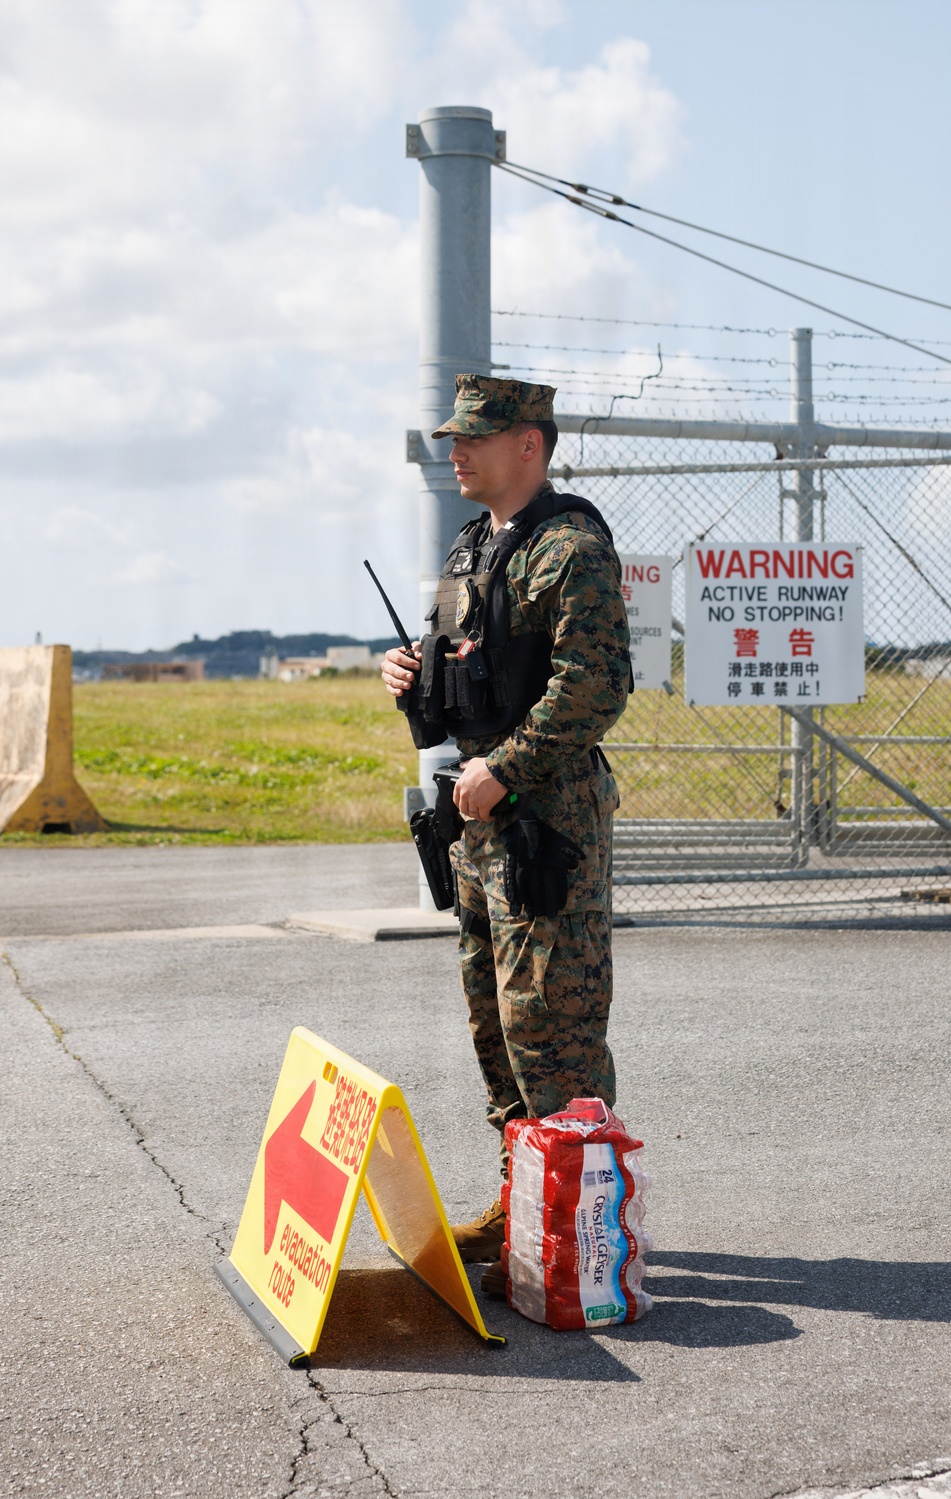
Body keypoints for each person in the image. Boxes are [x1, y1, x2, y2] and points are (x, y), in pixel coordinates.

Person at [380, 374, 631, 1297]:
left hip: (544, 817)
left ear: (531, 442)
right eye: (454, 437)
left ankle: (577, 1217)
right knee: (493, 1017)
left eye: (475, 438)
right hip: (477, 818)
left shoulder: (571, 550)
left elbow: (594, 687)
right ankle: (523, 1190)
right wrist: (409, 675)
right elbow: (455, 676)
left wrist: (508, 768)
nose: (457, 453)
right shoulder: (471, 549)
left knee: (550, 1024)